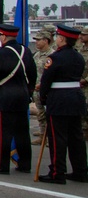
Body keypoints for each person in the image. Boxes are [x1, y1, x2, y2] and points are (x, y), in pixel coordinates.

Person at [37, 25, 88, 184]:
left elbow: (46, 80)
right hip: (76, 98)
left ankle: (57, 172)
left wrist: (43, 98)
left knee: (57, 138)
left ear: (62, 39)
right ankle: (80, 171)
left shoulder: (56, 58)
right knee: (76, 138)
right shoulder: (78, 56)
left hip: (59, 100)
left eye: (58, 36)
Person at [0, 24, 36, 174]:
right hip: (23, 95)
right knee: (22, 133)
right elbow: (32, 73)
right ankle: (25, 164)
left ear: (4, 37)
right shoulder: (25, 51)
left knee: (4, 133)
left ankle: (1, 164)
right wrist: (29, 91)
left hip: (7, 95)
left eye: (0, 36)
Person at [31, 28, 55, 144]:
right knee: (40, 115)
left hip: (47, 90)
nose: (36, 42)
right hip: (37, 90)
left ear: (46, 40)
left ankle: (51, 138)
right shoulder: (36, 55)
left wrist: (43, 85)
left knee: (49, 115)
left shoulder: (53, 55)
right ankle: (42, 136)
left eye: (39, 40)